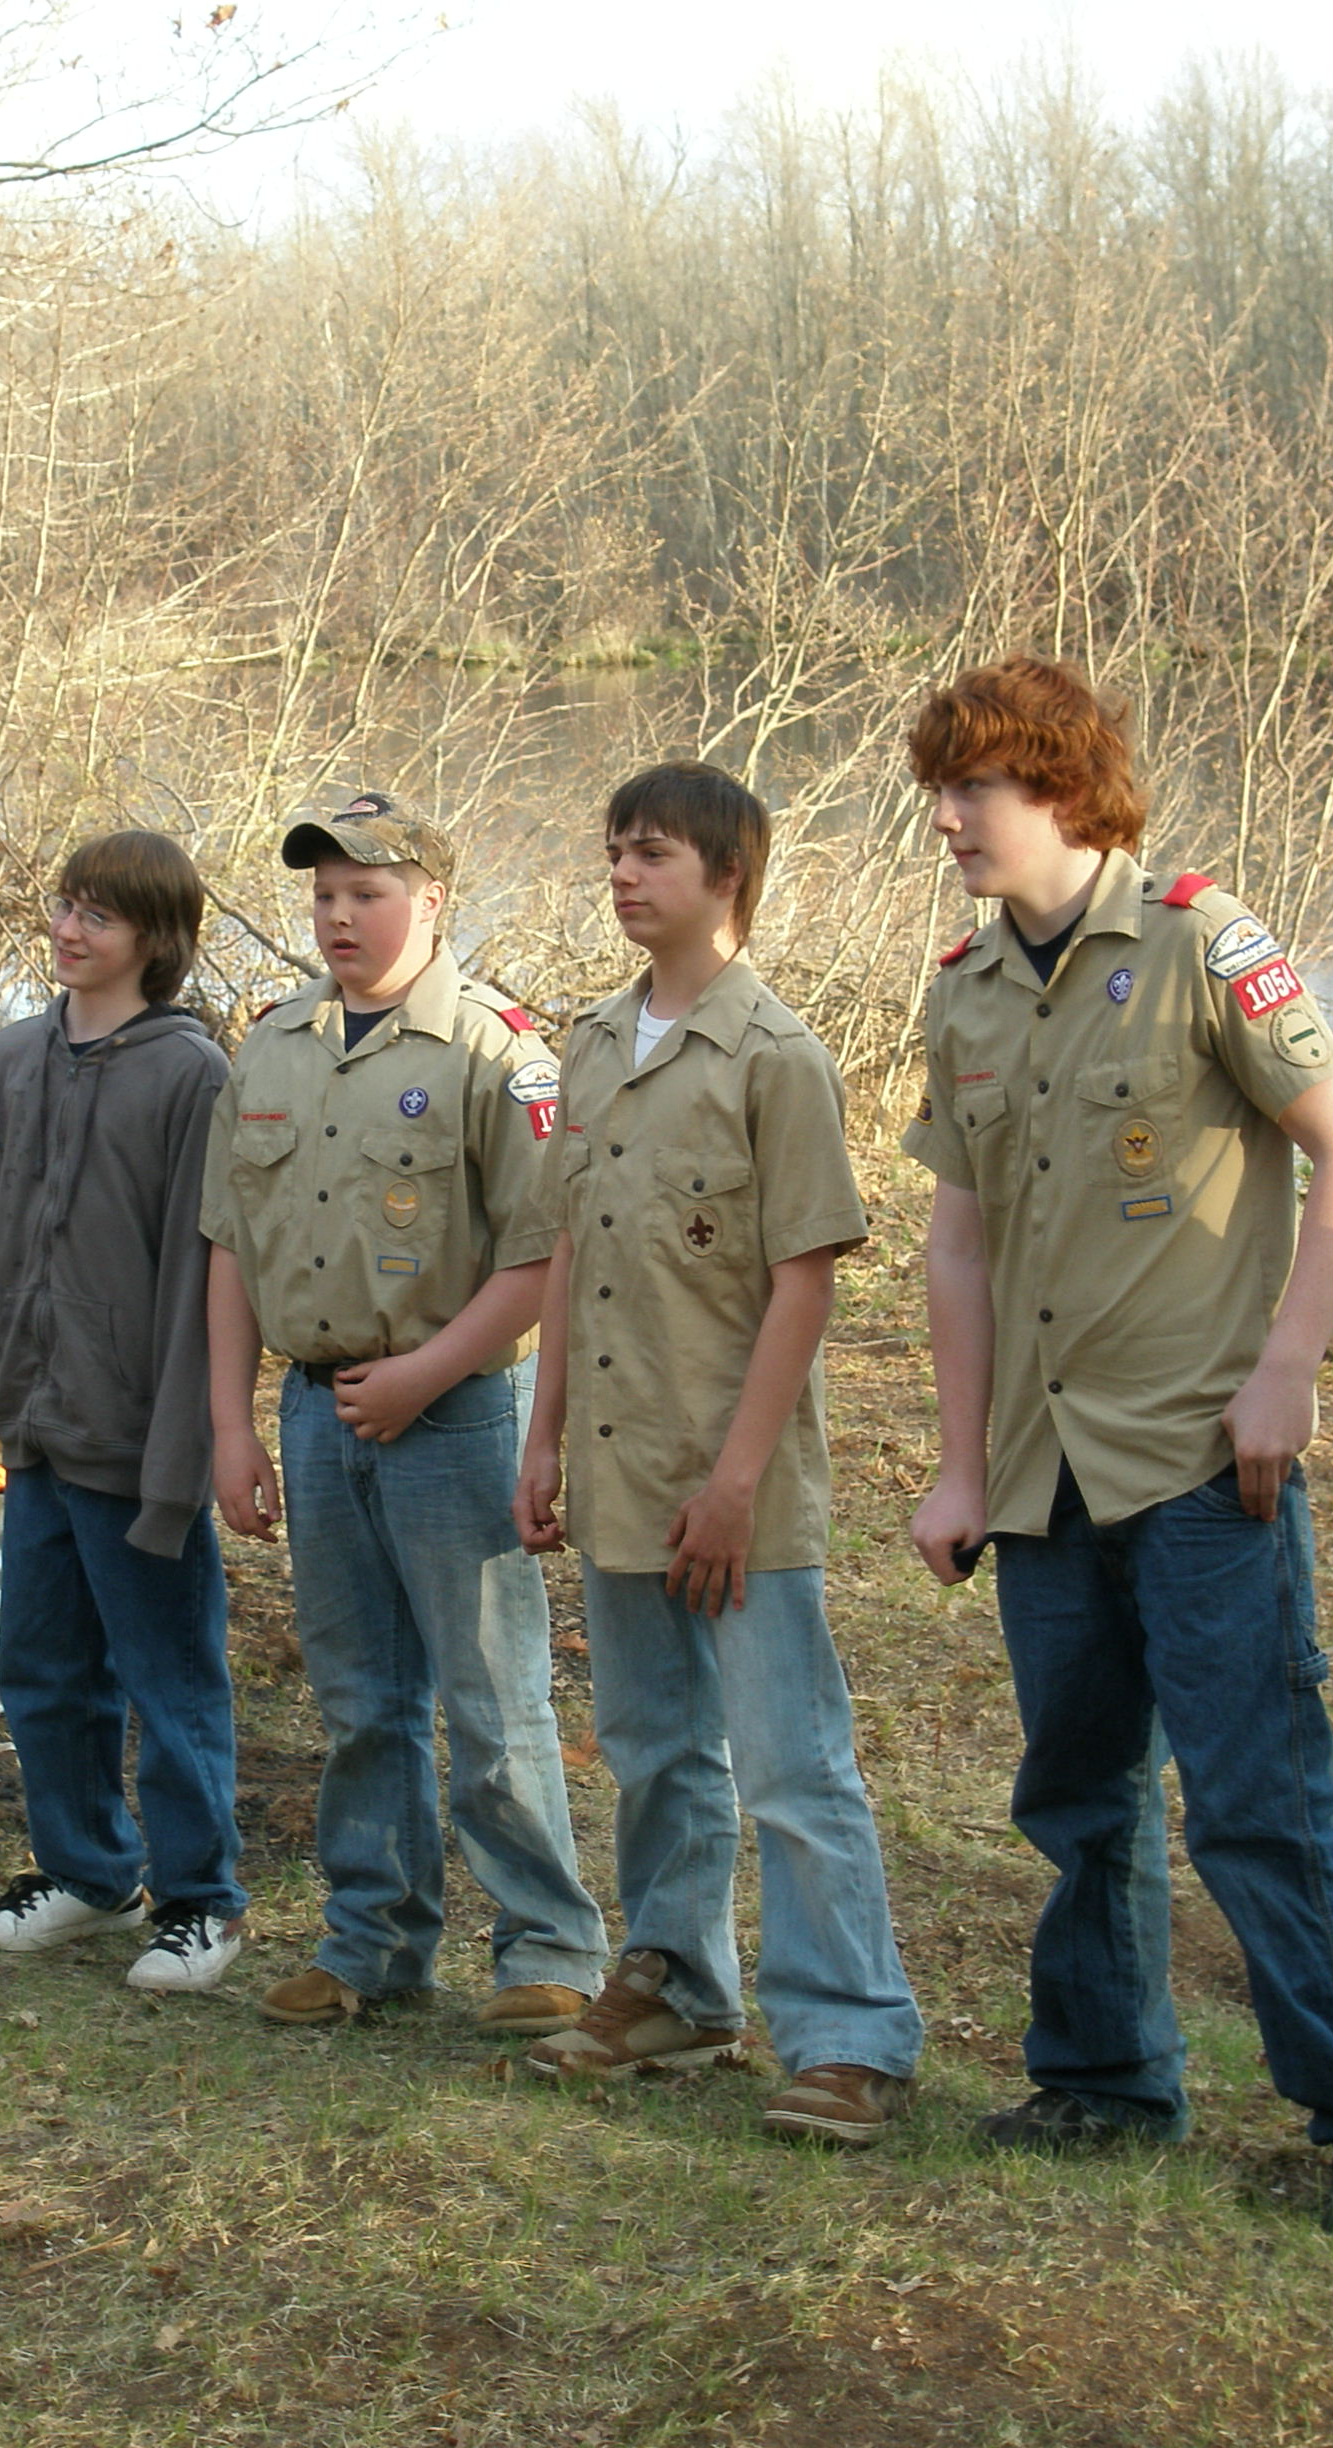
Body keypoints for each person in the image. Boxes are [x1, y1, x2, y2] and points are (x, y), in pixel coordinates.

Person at [899, 656, 1333, 2233]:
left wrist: (1289, 1368)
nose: (947, 819)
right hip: (1046, 1472)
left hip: (1207, 1463)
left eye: (975, 788)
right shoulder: (964, 988)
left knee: (1257, 1804)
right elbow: (959, 1244)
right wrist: (959, 1463)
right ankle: (1105, 2082)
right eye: (940, 790)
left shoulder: (1204, 942)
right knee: (1078, 1797)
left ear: (1063, 788)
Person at [513, 762, 923, 2145]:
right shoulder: (590, 1044)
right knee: (653, 1746)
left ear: (728, 876)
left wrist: (738, 1482)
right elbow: (569, 1253)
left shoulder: (775, 1059)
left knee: (792, 1765)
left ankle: (851, 2037)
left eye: (654, 856)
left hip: (734, 1477)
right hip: (619, 1463)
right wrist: (543, 1436)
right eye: (615, 852)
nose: (624, 876)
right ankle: (679, 1987)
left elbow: (804, 1281)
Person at [202, 792, 609, 2035]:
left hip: (456, 1415)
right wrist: (233, 1426)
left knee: (492, 1702)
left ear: (432, 902)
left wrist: (428, 1373)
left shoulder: (493, 1052)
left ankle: (548, 1950)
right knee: (359, 1700)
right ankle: (372, 1942)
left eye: (365, 893)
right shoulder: (271, 1048)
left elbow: (541, 1258)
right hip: (320, 1414)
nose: (338, 916)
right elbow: (230, 1249)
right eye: (323, 895)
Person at [0, 832, 246, 1994]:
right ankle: (87, 1871)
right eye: (65, 906)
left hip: (134, 1442)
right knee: (43, 1667)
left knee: (169, 1676)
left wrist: (182, 1457)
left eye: (98, 916)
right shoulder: (16, 1058)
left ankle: (201, 1902)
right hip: (37, 1433)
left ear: (156, 939)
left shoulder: (192, 1077)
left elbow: (198, 1281)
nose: (69, 930)